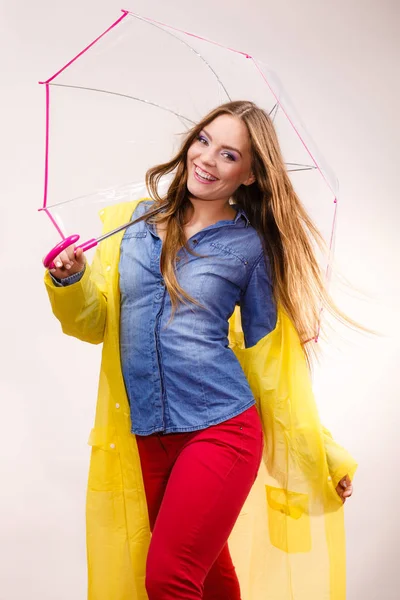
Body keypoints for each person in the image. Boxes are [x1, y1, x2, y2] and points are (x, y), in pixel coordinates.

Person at [44, 101, 358, 600]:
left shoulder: (251, 249)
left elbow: (273, 364)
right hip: (150, 434)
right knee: (209, 579)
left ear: (251, 174)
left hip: (222, 430)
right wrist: (70, 280)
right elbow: (97, 324)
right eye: (204, 140)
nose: (208, 159)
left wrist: (323, 452)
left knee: (168, 578)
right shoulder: (129, 225)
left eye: (229, 154)